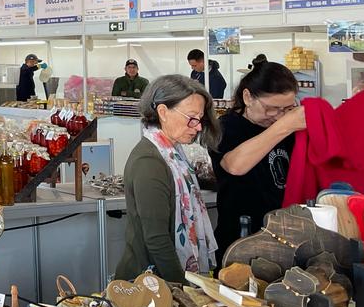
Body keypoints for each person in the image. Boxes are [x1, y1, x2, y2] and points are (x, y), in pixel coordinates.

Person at [114, 75, 219, 284]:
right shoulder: (150, 161)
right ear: (163, 112)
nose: (198, 127)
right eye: (192, 117)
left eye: (200, 119)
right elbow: (157, 239)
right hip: (149, 284)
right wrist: (184, 289)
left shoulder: (173, 154)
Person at [209, 62, 306, 260]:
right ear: (248, 97)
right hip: (240, 238)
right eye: (271, 108)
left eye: (287, 108)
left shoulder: (288, 130)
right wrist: (286, 126)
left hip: (285, 237)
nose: (278, 116)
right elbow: (234, 165)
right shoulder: (226, 127)